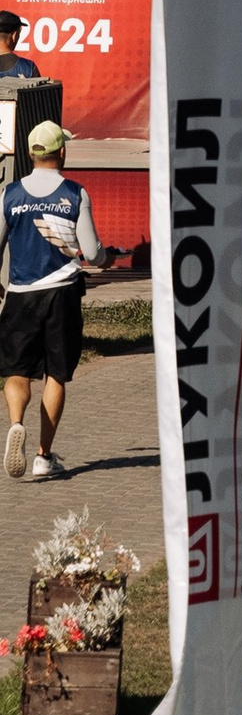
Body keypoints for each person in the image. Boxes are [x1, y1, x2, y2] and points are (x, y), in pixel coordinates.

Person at [1, 121, 101, 480]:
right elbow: (91, 251)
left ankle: (15, 423)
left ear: (30, 153)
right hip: (62, 296)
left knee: (16, 371)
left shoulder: (9, 195)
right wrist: (105, 257)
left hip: (20, 296)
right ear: (62, 152)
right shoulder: (75, 193)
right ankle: (43, 456)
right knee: (55, 373)